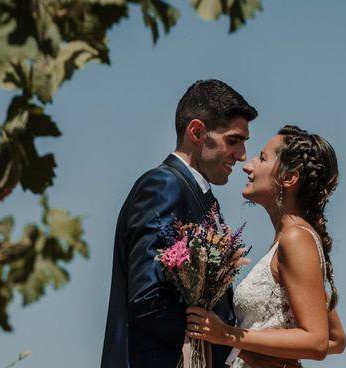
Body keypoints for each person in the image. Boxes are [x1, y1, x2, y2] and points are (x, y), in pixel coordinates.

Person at [101, 80, 258, 368]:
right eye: (233, 140)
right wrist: (214, 342)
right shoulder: (163, 186)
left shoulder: (205, 199)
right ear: (197, 131)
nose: (242, 155)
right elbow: (147, 297)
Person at [185, 125, 346, 367]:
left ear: (289, 178)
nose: (247, 166)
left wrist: (228, 335)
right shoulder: (289, 239)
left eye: (262, 158)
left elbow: (317, 341)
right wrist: (269, 353)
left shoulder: (296, 239)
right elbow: (337, 338)